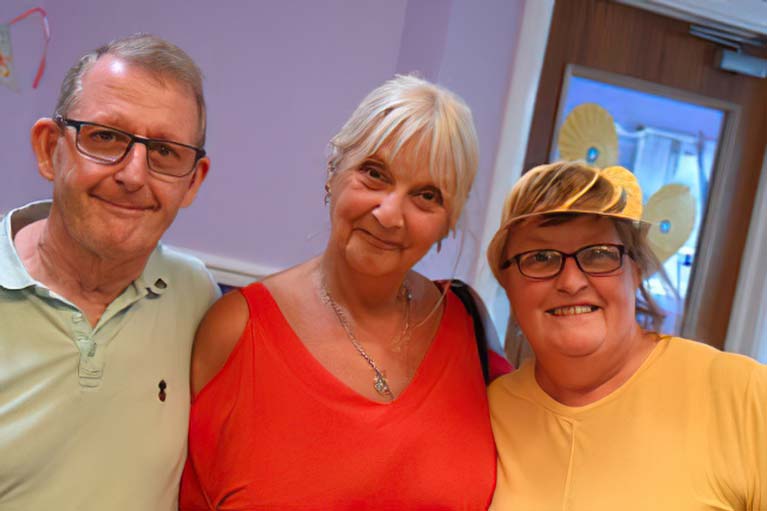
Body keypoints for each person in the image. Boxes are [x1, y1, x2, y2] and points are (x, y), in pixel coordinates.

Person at [180, 75, 498, 509]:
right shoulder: (236, 332)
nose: (389, 214)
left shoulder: (466, 323)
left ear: (449, 222)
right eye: (374, 174)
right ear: (333, 171)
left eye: (426, 195)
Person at [0, 34, 219, 511]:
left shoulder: (197, 298)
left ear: (192, 182)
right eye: (106, 137)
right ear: (49, 148)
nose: (133, 175)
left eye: (164, 151)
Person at [485, 161, 766, 510]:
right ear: (507, 283)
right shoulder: (489, 412)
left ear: (635, 270)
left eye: (599, 254)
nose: (571, 282)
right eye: (541, 257)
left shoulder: (742, 395)